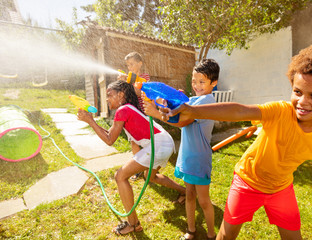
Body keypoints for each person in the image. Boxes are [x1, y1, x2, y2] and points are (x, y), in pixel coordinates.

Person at [159, 39, 312, 240]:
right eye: (297, 91)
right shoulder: (280, 111)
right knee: (226, 236)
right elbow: (239, 110)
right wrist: (192, 110)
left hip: (281, 189)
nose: (302, 101)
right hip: (247, 182)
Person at [77, 81, 186, 236]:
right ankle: (185, 191)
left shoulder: (123, 110)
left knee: (120, 176)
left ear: (121, 95)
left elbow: (109, 140)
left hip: (159, 145)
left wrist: (90, 121)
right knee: (151, 177)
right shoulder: (128, 110)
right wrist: (91, 120)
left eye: (110, 95)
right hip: (164, 142)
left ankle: (133, 224)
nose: (107, 99)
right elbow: (110, 134)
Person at [144, 59, 220, 240]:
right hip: (187, 156)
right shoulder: (195, 99)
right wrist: (163, 104)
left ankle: (211, 234)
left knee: (203, 201)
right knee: (190, 195)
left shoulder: (207, 101)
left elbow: (182, 122)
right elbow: (177, 107)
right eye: (194, 81)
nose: (196, 85)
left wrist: (156, 113)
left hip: (199, 159)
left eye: (202, 82)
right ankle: (192, 230)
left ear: (214, 83)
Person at [118, 51, 150, 181]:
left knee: (146, 142)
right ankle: (138, 169)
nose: (129, 67)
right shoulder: (129, 78)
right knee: (133, 140)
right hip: (133, 113)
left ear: (140, 63)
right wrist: (123, 82)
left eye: (131, 64)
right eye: (128, 65)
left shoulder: (145, 77)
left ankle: (148, 166)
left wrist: (129, 81)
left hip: (144, 113)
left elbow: (138, 92)